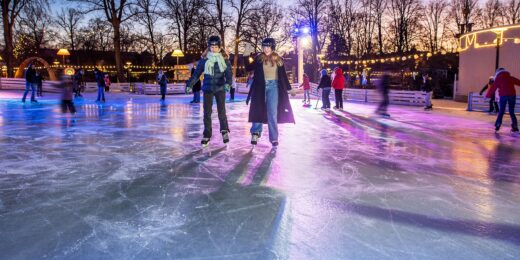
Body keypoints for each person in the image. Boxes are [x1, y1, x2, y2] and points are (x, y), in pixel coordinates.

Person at [246, 38, 295, 147]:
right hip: (260, 87)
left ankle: (274, 138)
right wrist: (246, 53)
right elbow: (248, 67)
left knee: (272, 113)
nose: (266, 49)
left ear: (272, 47)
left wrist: (289, 88)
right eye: (264, 47)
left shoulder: (279, 60)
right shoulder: (259, 59)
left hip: (274, 87)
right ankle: (255, 132)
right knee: (258, 109)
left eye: (268, 47)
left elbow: (283, 77)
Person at [186, 35, 233, 146]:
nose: (213, 49)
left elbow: (229, 74)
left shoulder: (225, 60)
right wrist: (190, 85)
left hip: (220, 88)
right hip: (207, 89)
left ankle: (224, 131)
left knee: (222, 112)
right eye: (211, 46)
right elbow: (196, 74)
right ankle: (207, 135)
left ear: (220, 47)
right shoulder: (204, 60)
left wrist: (228, 84)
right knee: (207, 113)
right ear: (208, 47)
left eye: (216, 46)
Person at [486, 68, 520, 133]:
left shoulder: (498, 78)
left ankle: (498, 125)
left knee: (501, 111)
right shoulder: (510, 77)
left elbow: (493, 87)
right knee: (511, 111)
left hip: (503, 95)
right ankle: (515, 127)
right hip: (512, 95)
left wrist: (487, 96)